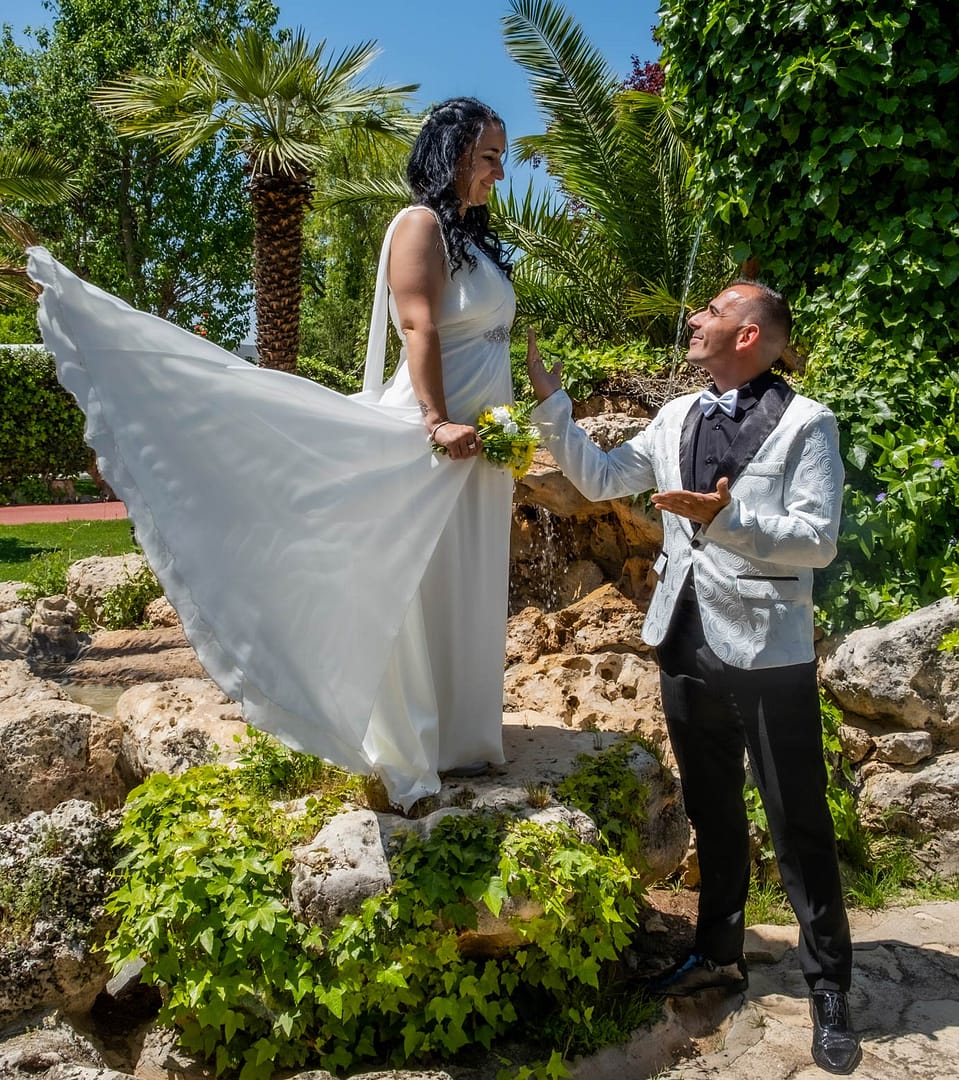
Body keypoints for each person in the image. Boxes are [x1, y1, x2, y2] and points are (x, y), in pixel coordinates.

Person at [26, 96, 522, 812]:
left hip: (485, 443)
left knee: (465, 579)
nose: (498, 173)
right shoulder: (418, 227)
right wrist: (437, 421)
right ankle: (418, 742)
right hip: (435, 438)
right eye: (488, 157)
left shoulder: (475, 241)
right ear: (450, 157)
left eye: (500, 157)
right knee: (412, 586)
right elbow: (419, 327)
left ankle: (465, 738)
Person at [526, 281, 861, 1076]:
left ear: (747, 334)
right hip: (682, 638)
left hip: (768, 649)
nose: (695, 319)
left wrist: (725, 520)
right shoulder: (676, 415)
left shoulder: (809, 423)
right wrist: (552, 406)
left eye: (711, 311)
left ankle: (830, 987)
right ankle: (718, 956)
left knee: (798, 825)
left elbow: (815, 541)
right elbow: (602, 478)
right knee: (712, 813)